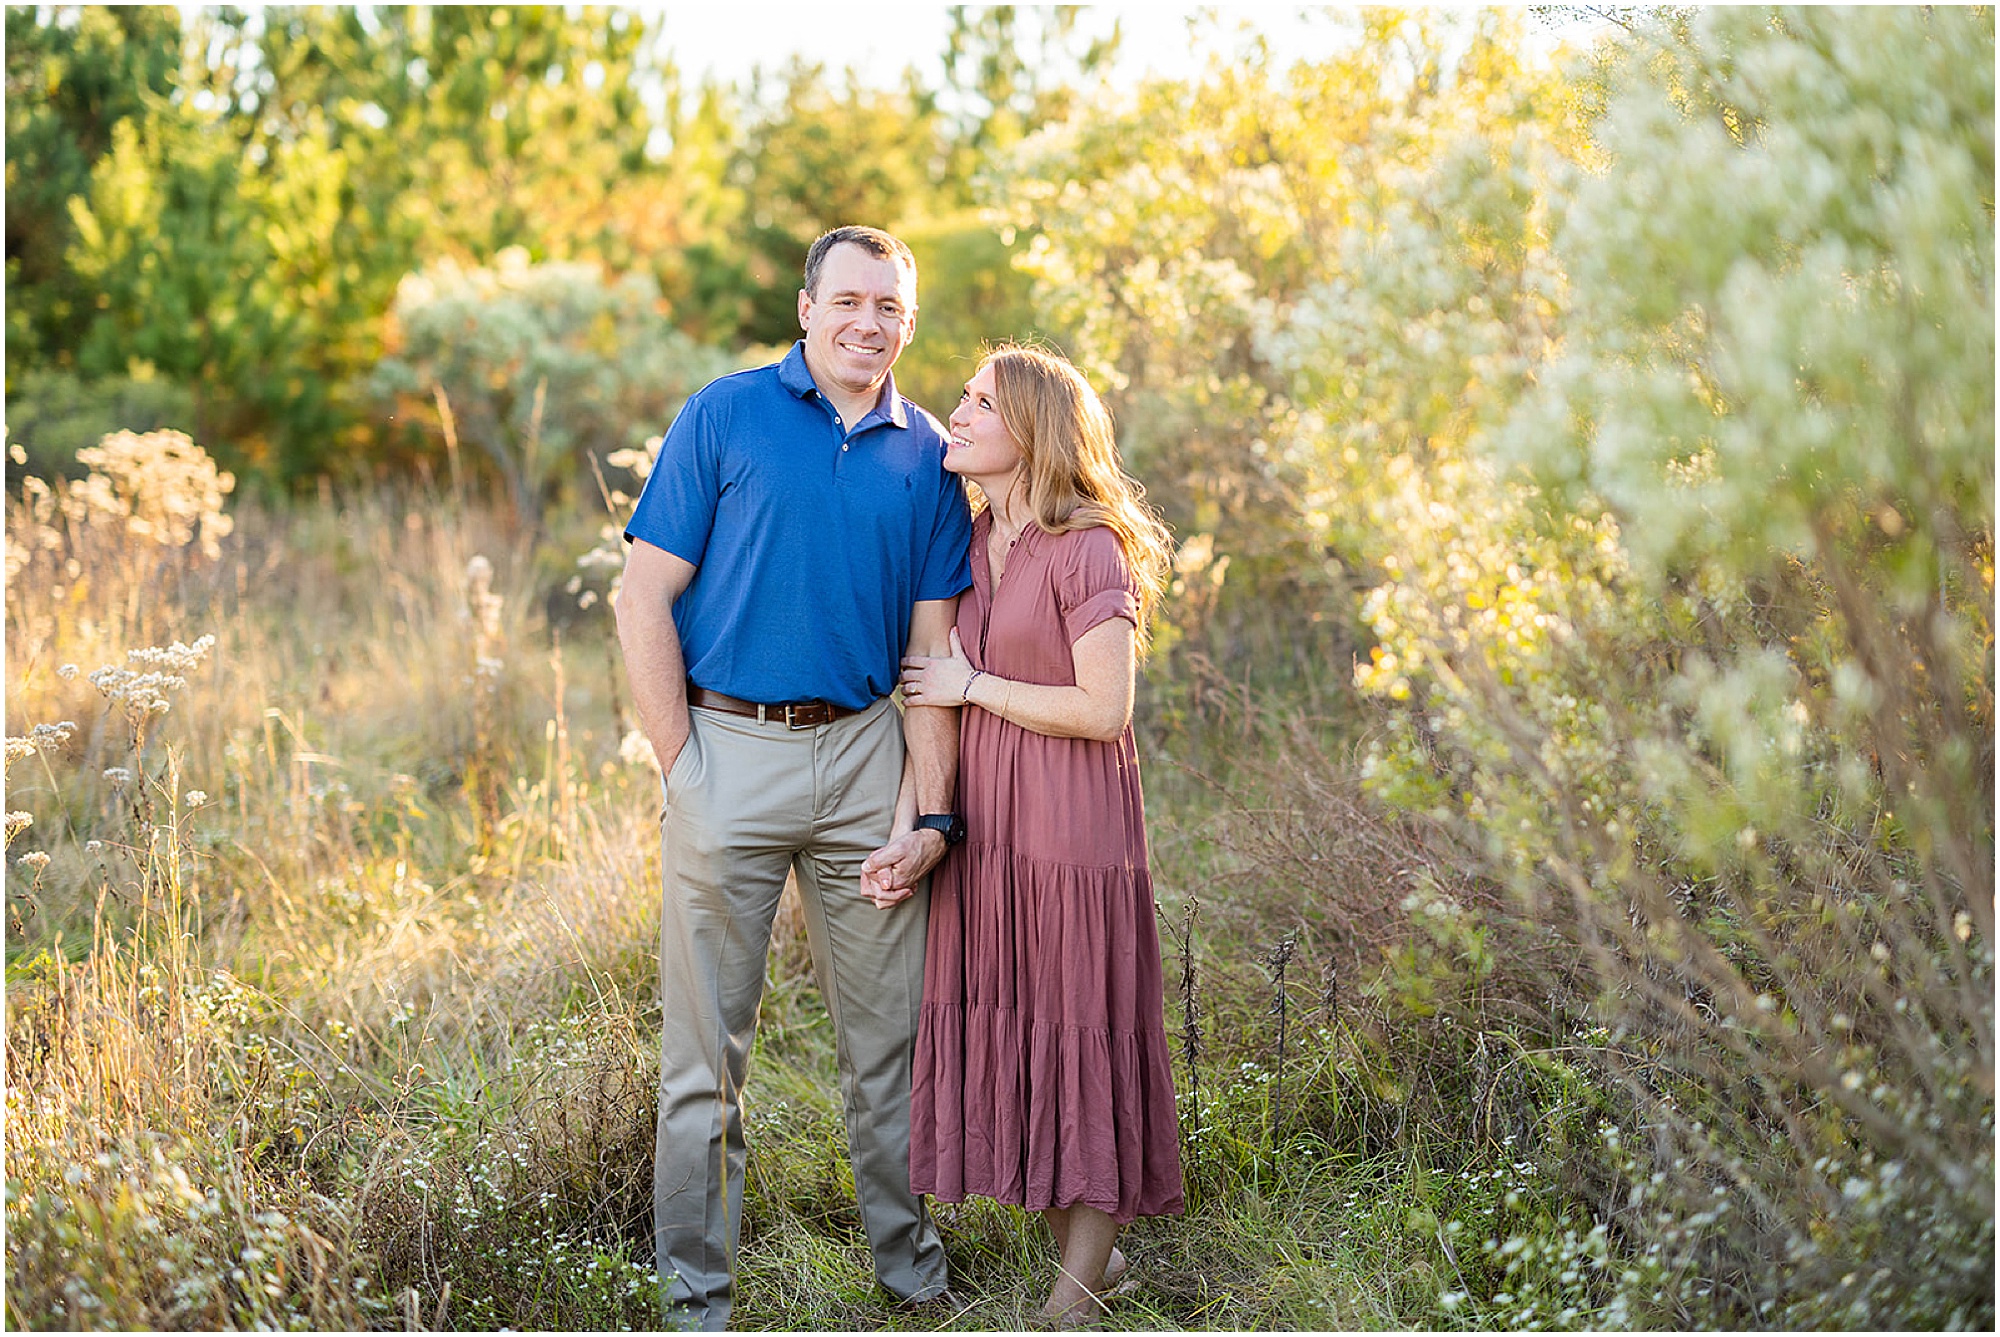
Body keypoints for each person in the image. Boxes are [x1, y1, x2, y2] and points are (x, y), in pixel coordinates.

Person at [615, 225, 971, 1330]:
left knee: (890, 1046)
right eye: (849, 301)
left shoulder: (930, 457)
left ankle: (911, 1273)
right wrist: (682, 762)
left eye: (890, 307)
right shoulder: (724, 414)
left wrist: (931, 815)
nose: (869, 323)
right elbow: (641, 595)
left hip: (866, 759)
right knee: (703, 1060)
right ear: (807, 308)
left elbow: (931, 661)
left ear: (909, 323)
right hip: (727, 752)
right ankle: (695, 1299)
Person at [896, 344, 1185, 1326]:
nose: (958, 412)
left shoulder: (1086, 545)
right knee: (1021, 1026)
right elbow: (924, 695)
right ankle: (1098, 1262)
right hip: (989, 833)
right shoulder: (969, 540)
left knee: (1079, 1028)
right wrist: (916, 823)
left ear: (1030, 429)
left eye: (981, 402)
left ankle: (1072, 1300)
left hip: (1070, 829)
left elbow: (1104, 707)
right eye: (963, 396)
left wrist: (973, 684)